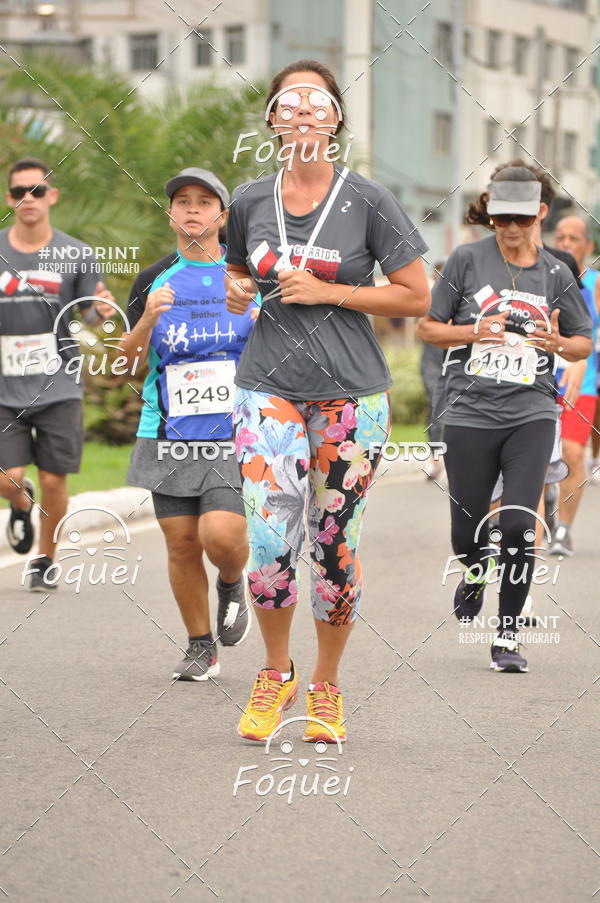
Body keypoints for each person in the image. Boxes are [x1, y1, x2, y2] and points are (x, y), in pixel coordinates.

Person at [225, 59, 430, 743]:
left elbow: (415, 295)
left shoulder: (368, 200)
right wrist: (237, 292)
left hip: (350, 395)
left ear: (337, 118)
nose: (305, 110)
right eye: (290, 101)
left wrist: (331, 291)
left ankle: (326, 684)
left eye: (318, 101)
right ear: (273, 120)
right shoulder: (251, 199)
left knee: (335, 547)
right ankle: (275, 671)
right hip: (268, 387)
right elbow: (239, 270)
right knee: (267, 541)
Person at [418, 166, 592, 673]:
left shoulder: (556, 272)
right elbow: (429, 328)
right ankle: (474, 572)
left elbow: (584, 338)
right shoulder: (466, 261)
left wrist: (558, 344)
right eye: (501, 219)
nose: (511, 229)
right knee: (466, 534)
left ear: (540, 213)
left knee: (519, 524)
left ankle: (508, 634)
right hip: (470, 413)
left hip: (532, 414)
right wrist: (477, 329)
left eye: (520, 218)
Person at [120, 168, 255, 680]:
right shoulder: (152, 280)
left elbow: (285, 351)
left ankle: (231, 578)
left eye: (204, 202)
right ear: (171, 213)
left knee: (220, 535)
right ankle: (202, 645)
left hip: (235, 433)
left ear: (222, 215)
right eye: (182, 201)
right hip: (168, 431)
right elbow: (125, 364)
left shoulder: (246, 278)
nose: (192, 210)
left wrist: (263, 319)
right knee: (180, 543)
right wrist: (147, 319)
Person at [0, 157, 115, 591]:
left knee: (54, 478)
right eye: (18, 192)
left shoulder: (76, 253)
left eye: (37, 190)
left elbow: (92, 312)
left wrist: (102, 313)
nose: (27, 199)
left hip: (59, 383)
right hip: (4, 386)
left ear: (52, 196)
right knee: (8, 479)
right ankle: (18, 499)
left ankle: (45, 558)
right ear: (9, 199)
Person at [551, 215, 600, 556]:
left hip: (584, 380)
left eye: (574, 238)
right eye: (561, 237)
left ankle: (563, 530)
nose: (566, 243)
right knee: (535, 458)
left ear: (588, 246)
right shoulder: (544, 277)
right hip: (540, 378)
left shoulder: (595, 283)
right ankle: (541, 512)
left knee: (571, 452)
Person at [420, 260, 446, 481]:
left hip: (456, 362)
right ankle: (435, 460)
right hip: (432, 361)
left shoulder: (464, 300)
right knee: (436, 408)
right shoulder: (428, 299)